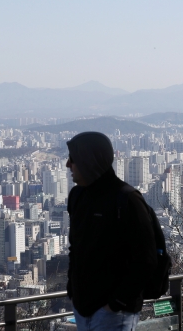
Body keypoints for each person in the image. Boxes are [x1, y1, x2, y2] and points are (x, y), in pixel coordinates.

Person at [66, 132, 157, 330]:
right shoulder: (77, 196)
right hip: (82, 309)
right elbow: (76, 248)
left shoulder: (127, 200)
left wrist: (117, 303)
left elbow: (146, 259)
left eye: (73, 159)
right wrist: (72, 291)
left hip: (114, 314)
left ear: (88, 161)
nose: (68, 165)